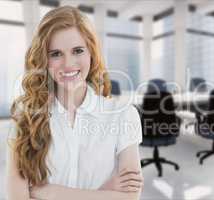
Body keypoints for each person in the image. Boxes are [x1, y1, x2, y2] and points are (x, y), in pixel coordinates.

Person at [6, 6, 143, 200]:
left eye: (77, 51)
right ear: (44, 59)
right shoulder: (25, 117)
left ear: (91, 53)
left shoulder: (123, 115)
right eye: (55, 54)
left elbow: (130, 197)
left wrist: (49, 192)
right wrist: (104, 193)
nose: (68, 64)